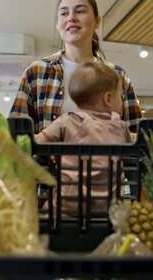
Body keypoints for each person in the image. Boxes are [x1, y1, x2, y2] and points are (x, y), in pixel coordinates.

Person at [9, 0, 142, 133]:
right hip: (47, 156)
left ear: (97, 21)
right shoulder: (37, 72)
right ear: (57, 24)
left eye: (80, 11)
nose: (71, 18)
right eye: (64, 13)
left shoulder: (117, 75)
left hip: (107, 156)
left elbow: (136, 135)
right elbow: (17, 134)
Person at [35, 62, 132, 215]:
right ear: (108, 99)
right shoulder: (119, 125)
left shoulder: (67, 120)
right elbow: (134, 145)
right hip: (107, 208)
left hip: (67, 205)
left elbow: (38, 142)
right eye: (120, 96)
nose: (122, 100)